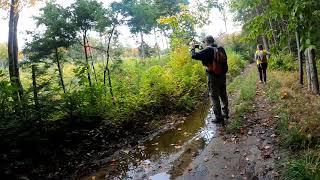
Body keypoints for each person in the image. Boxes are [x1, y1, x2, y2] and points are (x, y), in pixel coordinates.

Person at [190, 35, 229, 124]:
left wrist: (192, 48)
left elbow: (194, 56)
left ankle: (219, 117)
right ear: (213, 41)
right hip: (222, 75)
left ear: (207, 42)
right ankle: (226, 113)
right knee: (223, 94)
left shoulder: (207, 50)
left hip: (213, 77)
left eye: (205, 42)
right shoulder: (221, 49)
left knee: (214, 97)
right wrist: (200, 47)